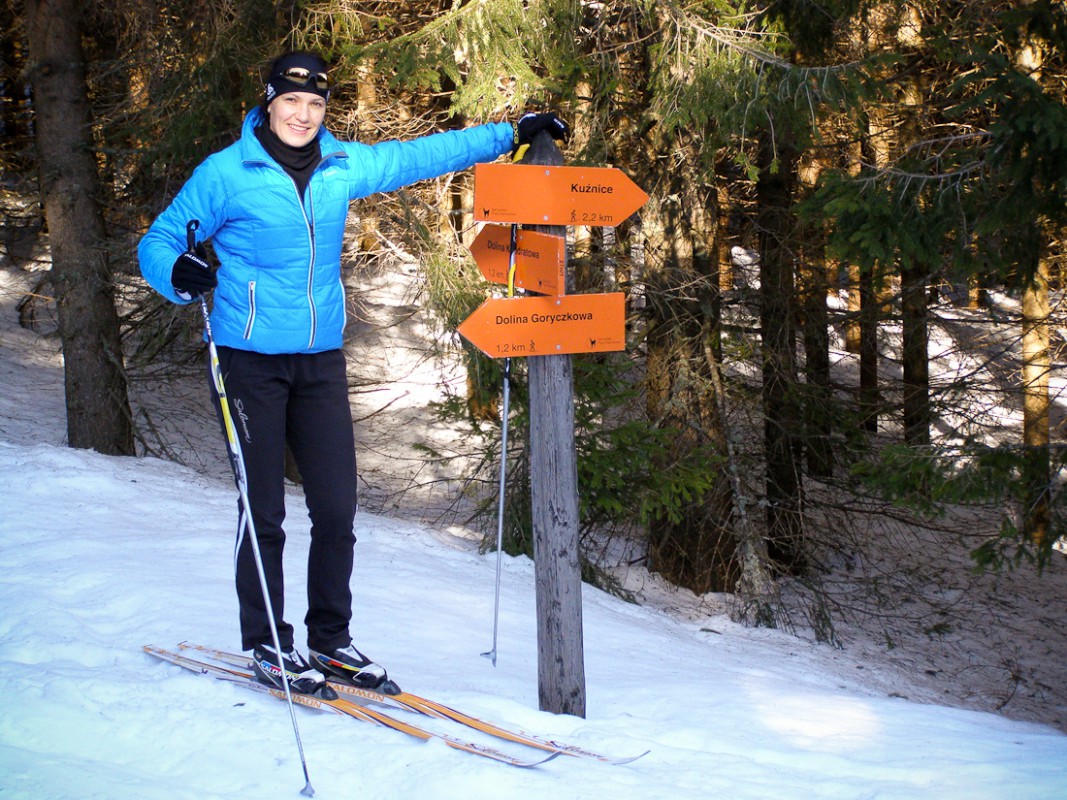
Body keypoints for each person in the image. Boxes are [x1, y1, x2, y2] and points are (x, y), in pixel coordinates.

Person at [139, 51, 568, 695]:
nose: (303, 115)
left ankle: (330, 640)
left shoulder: (342, 165)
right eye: (291, 101)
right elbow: (160, 239)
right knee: (263, 511)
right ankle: (268, 642)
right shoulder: (225, 174)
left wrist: (511, 133)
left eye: (315, 104)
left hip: (318, 358)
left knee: (336, 509)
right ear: (269, 102)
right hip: (246, 360)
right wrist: (176, 271)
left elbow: (422, 155)